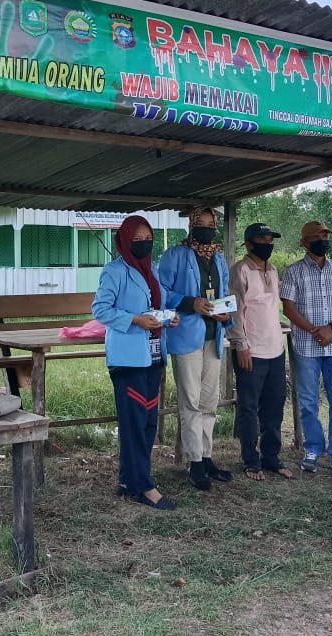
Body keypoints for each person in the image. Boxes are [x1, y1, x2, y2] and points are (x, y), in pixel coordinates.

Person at [91, 215, 178, 509]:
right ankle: (143, 485)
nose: (144, 244)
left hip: (153, 354)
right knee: (134, 423)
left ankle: (129, 480)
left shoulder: (151, 271)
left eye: (148, 239)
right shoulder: (114, 271)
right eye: (137, 240)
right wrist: (134, 320)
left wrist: (168, 317)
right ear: (125, 242)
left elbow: (157, 305)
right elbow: (101, 309)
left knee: (148, 421)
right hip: (128, 358)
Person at [159, 206, 234, 490]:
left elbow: (225, 294)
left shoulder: (219, 258)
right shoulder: (175, 255)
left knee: (209, 401)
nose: (208, 229)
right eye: (201, 224)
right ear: (191, 226)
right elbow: (161, 291)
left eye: (211, 224)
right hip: (186, 337)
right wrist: (191, 302)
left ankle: (206, 454)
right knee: (190, 400)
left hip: (215, 336)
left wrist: (227, 312)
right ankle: (195, 462)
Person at [281, 221, 332, 477]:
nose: (323, 239)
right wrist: (317, 330)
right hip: (306, 346)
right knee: (308, 402)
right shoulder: (294, 272)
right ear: (304, 242)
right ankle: (313, 449)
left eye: (325, 235)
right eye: (317, 236)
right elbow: (289, 308)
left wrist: (331, 328)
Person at [227, 223, 290, 480]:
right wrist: (240, 345)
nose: (268, 243)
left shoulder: (273, 270)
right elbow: (234, 310)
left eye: (270, 239)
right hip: (250, 350)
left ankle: (271, 458)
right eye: (262, 239)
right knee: (249, 408)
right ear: (249, 244)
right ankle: (251, 461)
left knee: (275, 407)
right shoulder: (240, 270)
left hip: (276, 348)